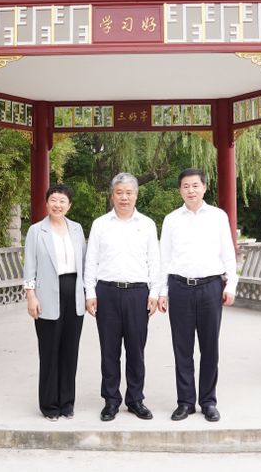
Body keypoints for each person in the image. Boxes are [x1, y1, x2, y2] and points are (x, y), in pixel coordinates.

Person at [158, 167, 237, 422]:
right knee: (182, 348)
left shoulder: (218, 217)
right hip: (179, 287)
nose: (190, 190)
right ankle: (185, 402)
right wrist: (162, 291)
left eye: (195, 185)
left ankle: (208, 401)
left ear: (204, 187)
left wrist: (231, 285)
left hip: (210, 287)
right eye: (185, 186)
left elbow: (228, 253)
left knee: (209, 348)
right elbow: (164, 258)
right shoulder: (171, 220)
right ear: (180, 190)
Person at [84, 172, 162, 422]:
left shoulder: (147, 224)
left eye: (129, 193)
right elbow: (91, 261)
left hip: (138, 293)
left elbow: (155, 261)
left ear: (136, 195)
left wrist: (154, 292)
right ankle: (111, 400)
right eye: (119, 193)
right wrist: (90, 292)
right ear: (112, 196)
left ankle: (135, 399)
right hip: (106, 292)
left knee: (136, 349)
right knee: (109, 350)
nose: (124, 197)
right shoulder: (100, 224)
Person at [23, 184, 86, 421]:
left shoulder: (77, 229)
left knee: (70, 351)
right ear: (47, 203)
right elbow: (30, 265)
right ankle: (49, 405)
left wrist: (88, 294)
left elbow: (85, 263)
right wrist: (31, 296)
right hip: (47, 293)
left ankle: (67, 403)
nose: (57, 205)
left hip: (74, 292)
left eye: (62, 201)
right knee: (49, 351)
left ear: (69, 205)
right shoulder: (36, 231)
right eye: (53, 200)